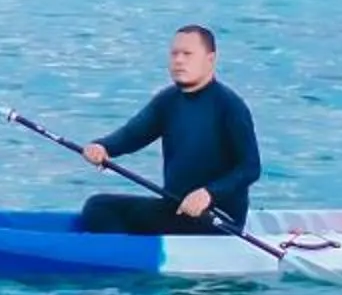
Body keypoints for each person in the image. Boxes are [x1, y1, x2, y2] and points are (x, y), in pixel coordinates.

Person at [75, 25, 262, 235]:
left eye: (187, 54)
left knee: (121, 213)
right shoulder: (168, 101)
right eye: (174, 54)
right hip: (175, 208)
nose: (179, 60)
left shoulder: (230, 106)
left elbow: (250, 167)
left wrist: (209, 194)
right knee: (98, 207)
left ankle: (119, 255)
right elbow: (132, 135)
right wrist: (102, 147)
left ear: (210, 59)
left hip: (217, 217)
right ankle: (120, 254)